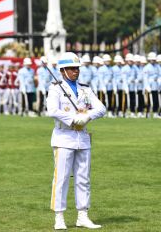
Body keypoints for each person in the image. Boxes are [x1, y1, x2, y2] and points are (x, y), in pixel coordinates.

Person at [47, 52, 106, 230]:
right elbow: (52, 110)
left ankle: (83, 215)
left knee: (83, 178)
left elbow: (101, 108)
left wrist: (86, 116)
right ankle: (59, 217)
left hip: (83, 138)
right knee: (62, 178)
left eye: (77, 68)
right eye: (72, 68)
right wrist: (73, 118)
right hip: (64, 137)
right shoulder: (56, 88)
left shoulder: (85, 89)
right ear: (63, 70)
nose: (75, 71)